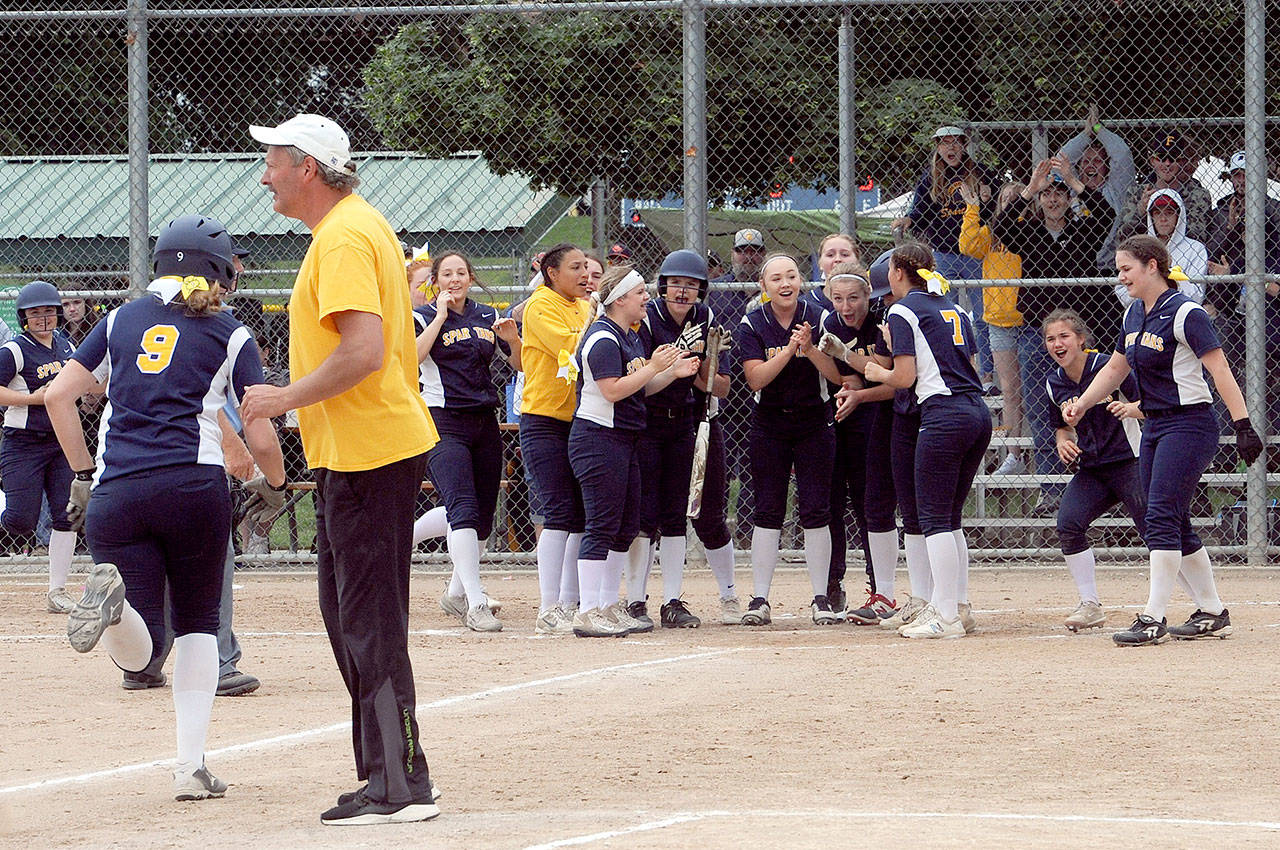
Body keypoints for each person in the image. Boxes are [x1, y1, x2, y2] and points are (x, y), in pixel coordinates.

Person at [44, 214, 285, 801]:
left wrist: (81, 474)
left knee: (145, 643)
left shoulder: (118, 318)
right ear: (216, 272)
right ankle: (189, 767)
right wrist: (276, 484)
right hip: (192, 488)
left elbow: (56, 396)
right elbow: (256, 426)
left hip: (117, 492)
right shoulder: (231, 332)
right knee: (197, 628)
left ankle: (113, 606)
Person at [242, 113, 441, 824]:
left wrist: (283, 397)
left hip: (367, 451)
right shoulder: (350, 228)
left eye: (272, 161)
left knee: (365, 619)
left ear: (307, 168)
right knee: (355, 613)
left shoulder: (346, 236)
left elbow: (362, 350)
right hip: (361, 450)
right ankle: (399, 772)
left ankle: (395, 782)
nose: (263, 174)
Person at [1064, 235, 1262, 646]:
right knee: (1171, 519)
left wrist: (1242, 424)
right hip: (1155, 425)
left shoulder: (1186, 312)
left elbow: (1220, 371)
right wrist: (1082, 404)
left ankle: (1153, 617)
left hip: (1189, 424)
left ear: (1152, 265)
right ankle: (1211, 610)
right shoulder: (1135, 314)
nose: (1120, 278)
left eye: (1126, 269)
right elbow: (1116, 369)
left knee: (1159, 516)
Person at [863, 243, 993, 639]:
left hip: (943, 415)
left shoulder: (902, 309)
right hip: (976, 412)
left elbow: (903, 378)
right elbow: (968, 366)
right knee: (951, 520)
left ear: (898, 272)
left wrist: (875, 371)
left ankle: (946, 616)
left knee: (934, 520)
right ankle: (959, 607)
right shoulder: (953, 307)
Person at [570, 266, 697, 637]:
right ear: (620, 298)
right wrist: (655, 366)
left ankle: (609, 605)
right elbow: (612, 390)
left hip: (623, 438)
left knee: (625, 526)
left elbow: (638, 387)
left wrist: (671, 373)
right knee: (602, 524)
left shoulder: (628, 336)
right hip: (597, 438)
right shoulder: (603, 339)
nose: (647, 298)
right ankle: (588, 610)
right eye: (640, 292)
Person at [992, 156, 1114, 516]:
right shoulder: (1027, 232)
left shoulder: (1081, 230)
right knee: (1042, 408)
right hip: (1036, 331)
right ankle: (1051, 488)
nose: (1053, 200)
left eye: (1059, 193)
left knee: (1088, 407)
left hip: (1077, 334)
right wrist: (1029, 189)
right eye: (1048, 194)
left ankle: (1095, 485)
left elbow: (1106, 215)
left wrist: (1076, 182)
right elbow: (1001, 227)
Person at [415, 251, 521, 633]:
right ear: (436, 280)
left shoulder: (487, 315)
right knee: (460, 506)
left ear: (470, 277)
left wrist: (513, 340)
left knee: (481, 517)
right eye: (447, 274)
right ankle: (476, 603)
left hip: (484, 420)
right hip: (443, 420)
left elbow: (520, 365)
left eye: (461, 273)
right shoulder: (424, 316)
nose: (455, 279)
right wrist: (441, 316)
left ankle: (456, 592)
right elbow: (410, 358)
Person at [632, 249, 738, 629]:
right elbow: (641, 378)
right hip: (647, 423)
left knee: (677, 515)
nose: (681, 292)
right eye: (675, 284)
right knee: (645, 517)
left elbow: (718, 386)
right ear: (662, 286)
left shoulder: (706, 318)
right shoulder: (646, 320)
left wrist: (696, 360)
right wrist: (676, 359)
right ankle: (635, 600)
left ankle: (672, 601)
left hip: (686, 424)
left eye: (690, 285)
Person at [736, 253, 841, 626]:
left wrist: (810, 349)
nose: (785, 284)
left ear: (801, 281)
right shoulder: (753, 322)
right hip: (770, 424)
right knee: (767, 510)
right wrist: (788, 351)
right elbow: (755, 379)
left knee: (816, 510)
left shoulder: (820, 316)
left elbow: (837, 376)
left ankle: (820, 597)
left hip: (815, 421)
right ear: (764, 286)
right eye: (776, 278)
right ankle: (760, 598)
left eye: (792, 276)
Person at [1042, 309, 1146, 632]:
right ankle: (1090, 605)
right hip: (1094, 468)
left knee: (1157, 529)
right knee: (1068, 524)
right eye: (1050, 338)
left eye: (1064, 336)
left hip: (1132, 461)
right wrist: (1063, 442)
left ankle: (1197, 602)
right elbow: (1061, 427)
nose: (1057, 343)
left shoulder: (1108, 368)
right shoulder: (1054, 382)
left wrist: (1130, 409)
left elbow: (1152, 402)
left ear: (1081, 340)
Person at [814, 263, 898, 620]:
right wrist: (855, 381)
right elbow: (855, 381)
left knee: (870, 504)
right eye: (838, 299)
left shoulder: (883, 317)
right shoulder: (832, 323)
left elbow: (882, 382)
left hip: (878, 417)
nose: (846, 307)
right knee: (833, 503)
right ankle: (833, 584)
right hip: (842, 417)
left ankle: (879, 587)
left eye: (854, 298)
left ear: (868, 295)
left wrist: (853, 370)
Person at [519, 243, 593, 634]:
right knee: (558, 512)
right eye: (576, 267)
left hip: (579, 420)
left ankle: (569, 601)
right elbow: (573, 348)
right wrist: (598, 319)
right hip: (545, 421)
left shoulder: (582, 306)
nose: (585, 275)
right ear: (552, 273)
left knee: (580, 514)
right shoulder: (540, 305)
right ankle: (548, 607)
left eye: (587, 267)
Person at [892, 125, 998, 388]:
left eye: (955, 143)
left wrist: (987, 196)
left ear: (964, 145)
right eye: (944, 143)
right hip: (944, 251)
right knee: (943, 311)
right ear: (938, 148)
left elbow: (998, 204)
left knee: (983, 314)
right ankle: (947, 366)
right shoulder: (931, 177)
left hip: (974, 252)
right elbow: (920, 211)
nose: (950, 148)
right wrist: (908, 219)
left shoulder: (981, 172)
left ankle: (985, 373)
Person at [0, 280, 80, 612]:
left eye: (49, 312)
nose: (43, 319)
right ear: (24, 318)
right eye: (35, 314)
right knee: (21, 520)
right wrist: (32, 398)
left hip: (60, 441)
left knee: (67, 514)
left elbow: (81, 381)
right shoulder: (14, 350)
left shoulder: (66, 347)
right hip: (23, 443)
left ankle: (57, 591)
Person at [960, 180, 1027, 475]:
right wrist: (973, 208)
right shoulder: (992, 234)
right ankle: (1014, 454)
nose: (1011, 203)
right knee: (1011, 390)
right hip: (999, 322)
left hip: (1028, 322)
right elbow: (967, 244)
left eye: (1017, 198)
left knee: (1037, 389)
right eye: (1006, 198)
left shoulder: (1028, 231)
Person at [708, 228, 766, 546]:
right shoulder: (717, 290)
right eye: (742, 250)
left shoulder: (770, 290)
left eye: (755, 250)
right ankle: (716, 531)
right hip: (726, 391)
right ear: (732, 254)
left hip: (758, 391)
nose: (748, 256)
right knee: (720, 469)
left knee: (755, 469)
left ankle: (747, 532)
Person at [1059, 106, 1136, 273]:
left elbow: (1122, 155)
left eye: (1097, 161)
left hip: (1109, 268)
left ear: (1107, 168)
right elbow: (1062, 159)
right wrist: (1086, 134)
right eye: (1085, 161)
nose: (1091, 165)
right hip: (1073, 268)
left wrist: (1098, 129)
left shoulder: (1115, 191)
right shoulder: (1070, 192)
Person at [1116, 131, 1213, 245]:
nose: (1167, 163)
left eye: (1173, 158)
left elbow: (1198, 236)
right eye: (1162, 157)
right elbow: (1122, 237)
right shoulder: (1137, 193)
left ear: (1181, 162)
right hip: (1144, 254)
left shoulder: (1197, 195)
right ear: (1153, 161)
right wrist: (1140, 211)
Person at [1114, 190, 1206, 306]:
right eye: (1158, 213)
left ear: (1179, 216)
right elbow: (1123, 293)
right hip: (1145, 314)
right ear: (1151, 217)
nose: (1163, 219)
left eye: (1169, 212)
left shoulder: (1195, 249)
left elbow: (1196, 296)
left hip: (1178, 312)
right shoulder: (1138, 247)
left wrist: (1165, 278)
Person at [802, 232, 861, 312]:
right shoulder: (805, 304)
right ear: (820, 263)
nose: (838, 259)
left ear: (857, 260)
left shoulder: (872, 302)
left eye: (845, 254)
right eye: (830, 255)